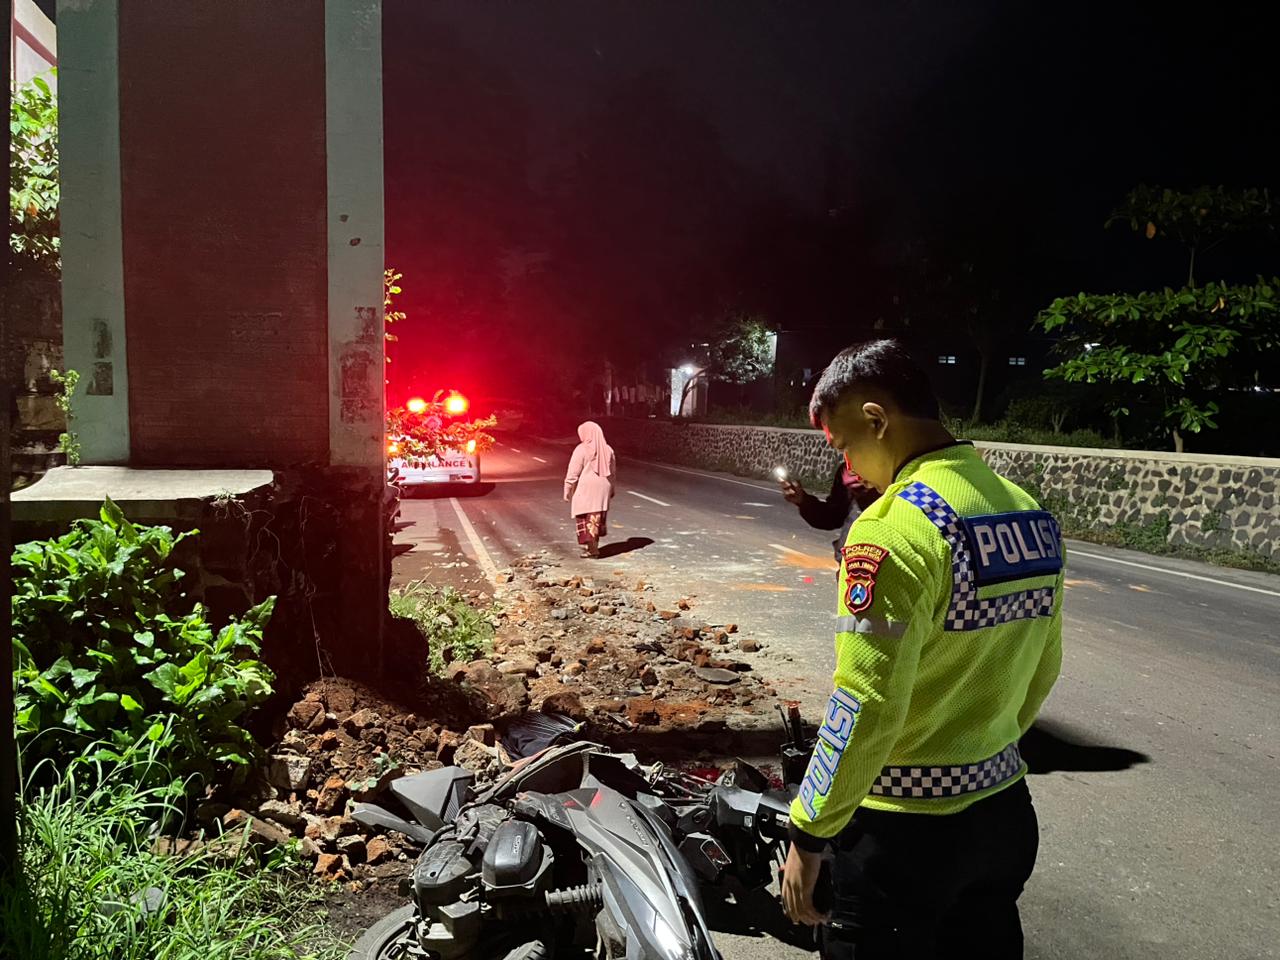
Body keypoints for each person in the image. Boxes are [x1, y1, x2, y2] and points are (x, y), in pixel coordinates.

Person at [780, 339, 1064, 959]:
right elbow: (1044, 667)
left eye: (845, 444)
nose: (849, 466)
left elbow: (864, 705)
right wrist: (980, 743)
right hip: (1003, 815)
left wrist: (809, 831)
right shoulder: (1027, 513)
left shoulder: (893, 529)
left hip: (902, 839)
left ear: (878, 418)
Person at [780, 463, 881, 562]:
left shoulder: (893, 479)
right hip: (849, 565)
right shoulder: (847, 470)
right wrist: (804, 501)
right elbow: (833, 516)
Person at [564, 421, 616, 558]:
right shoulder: (608, 449)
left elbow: (573, 472)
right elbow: (613, 472)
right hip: (604, 487)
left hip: (586, 488)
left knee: (584, 516)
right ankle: (593, 546)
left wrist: (567, 489)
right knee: (596, 517)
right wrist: (612, 489)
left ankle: (592, 549)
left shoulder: (581, 449)